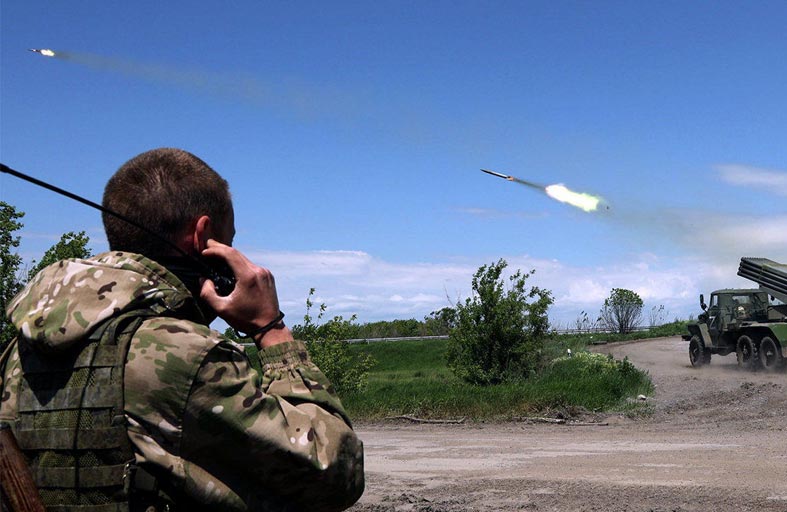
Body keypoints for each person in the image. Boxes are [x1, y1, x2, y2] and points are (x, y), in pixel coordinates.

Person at [0, 148, 364, 511]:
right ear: (203, 236)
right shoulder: (186, 355)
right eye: (229, 240)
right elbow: (333, 475)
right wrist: (272, 330)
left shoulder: (17, 353)